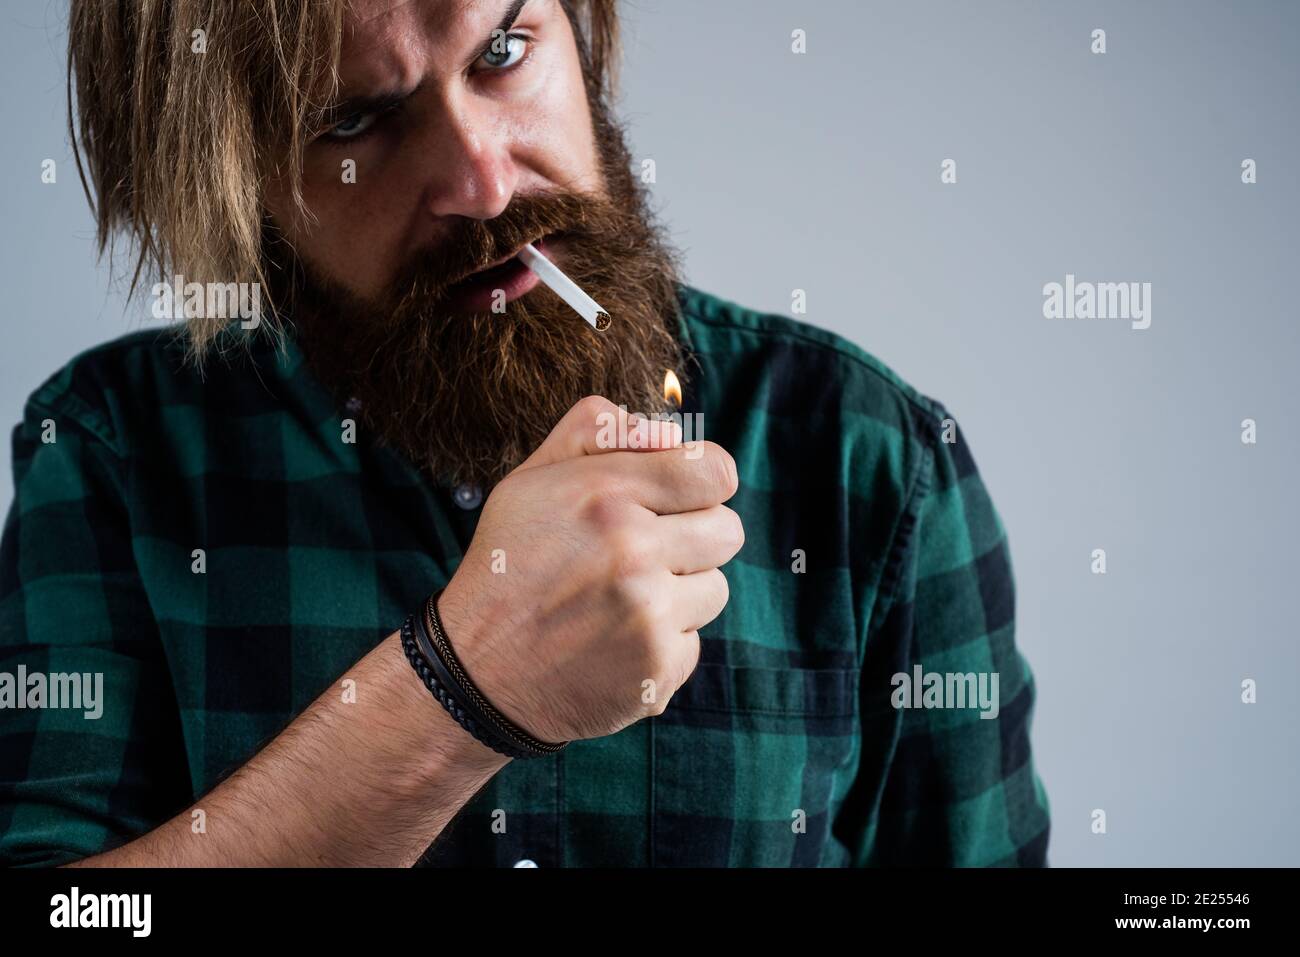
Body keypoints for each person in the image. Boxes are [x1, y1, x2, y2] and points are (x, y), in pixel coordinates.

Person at [0, 0, 1050, 866]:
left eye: (503, 52)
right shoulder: (113, 458)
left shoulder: (871, 458)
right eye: (354, 123)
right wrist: (460, 692)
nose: (484, 185)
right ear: (235, 189)